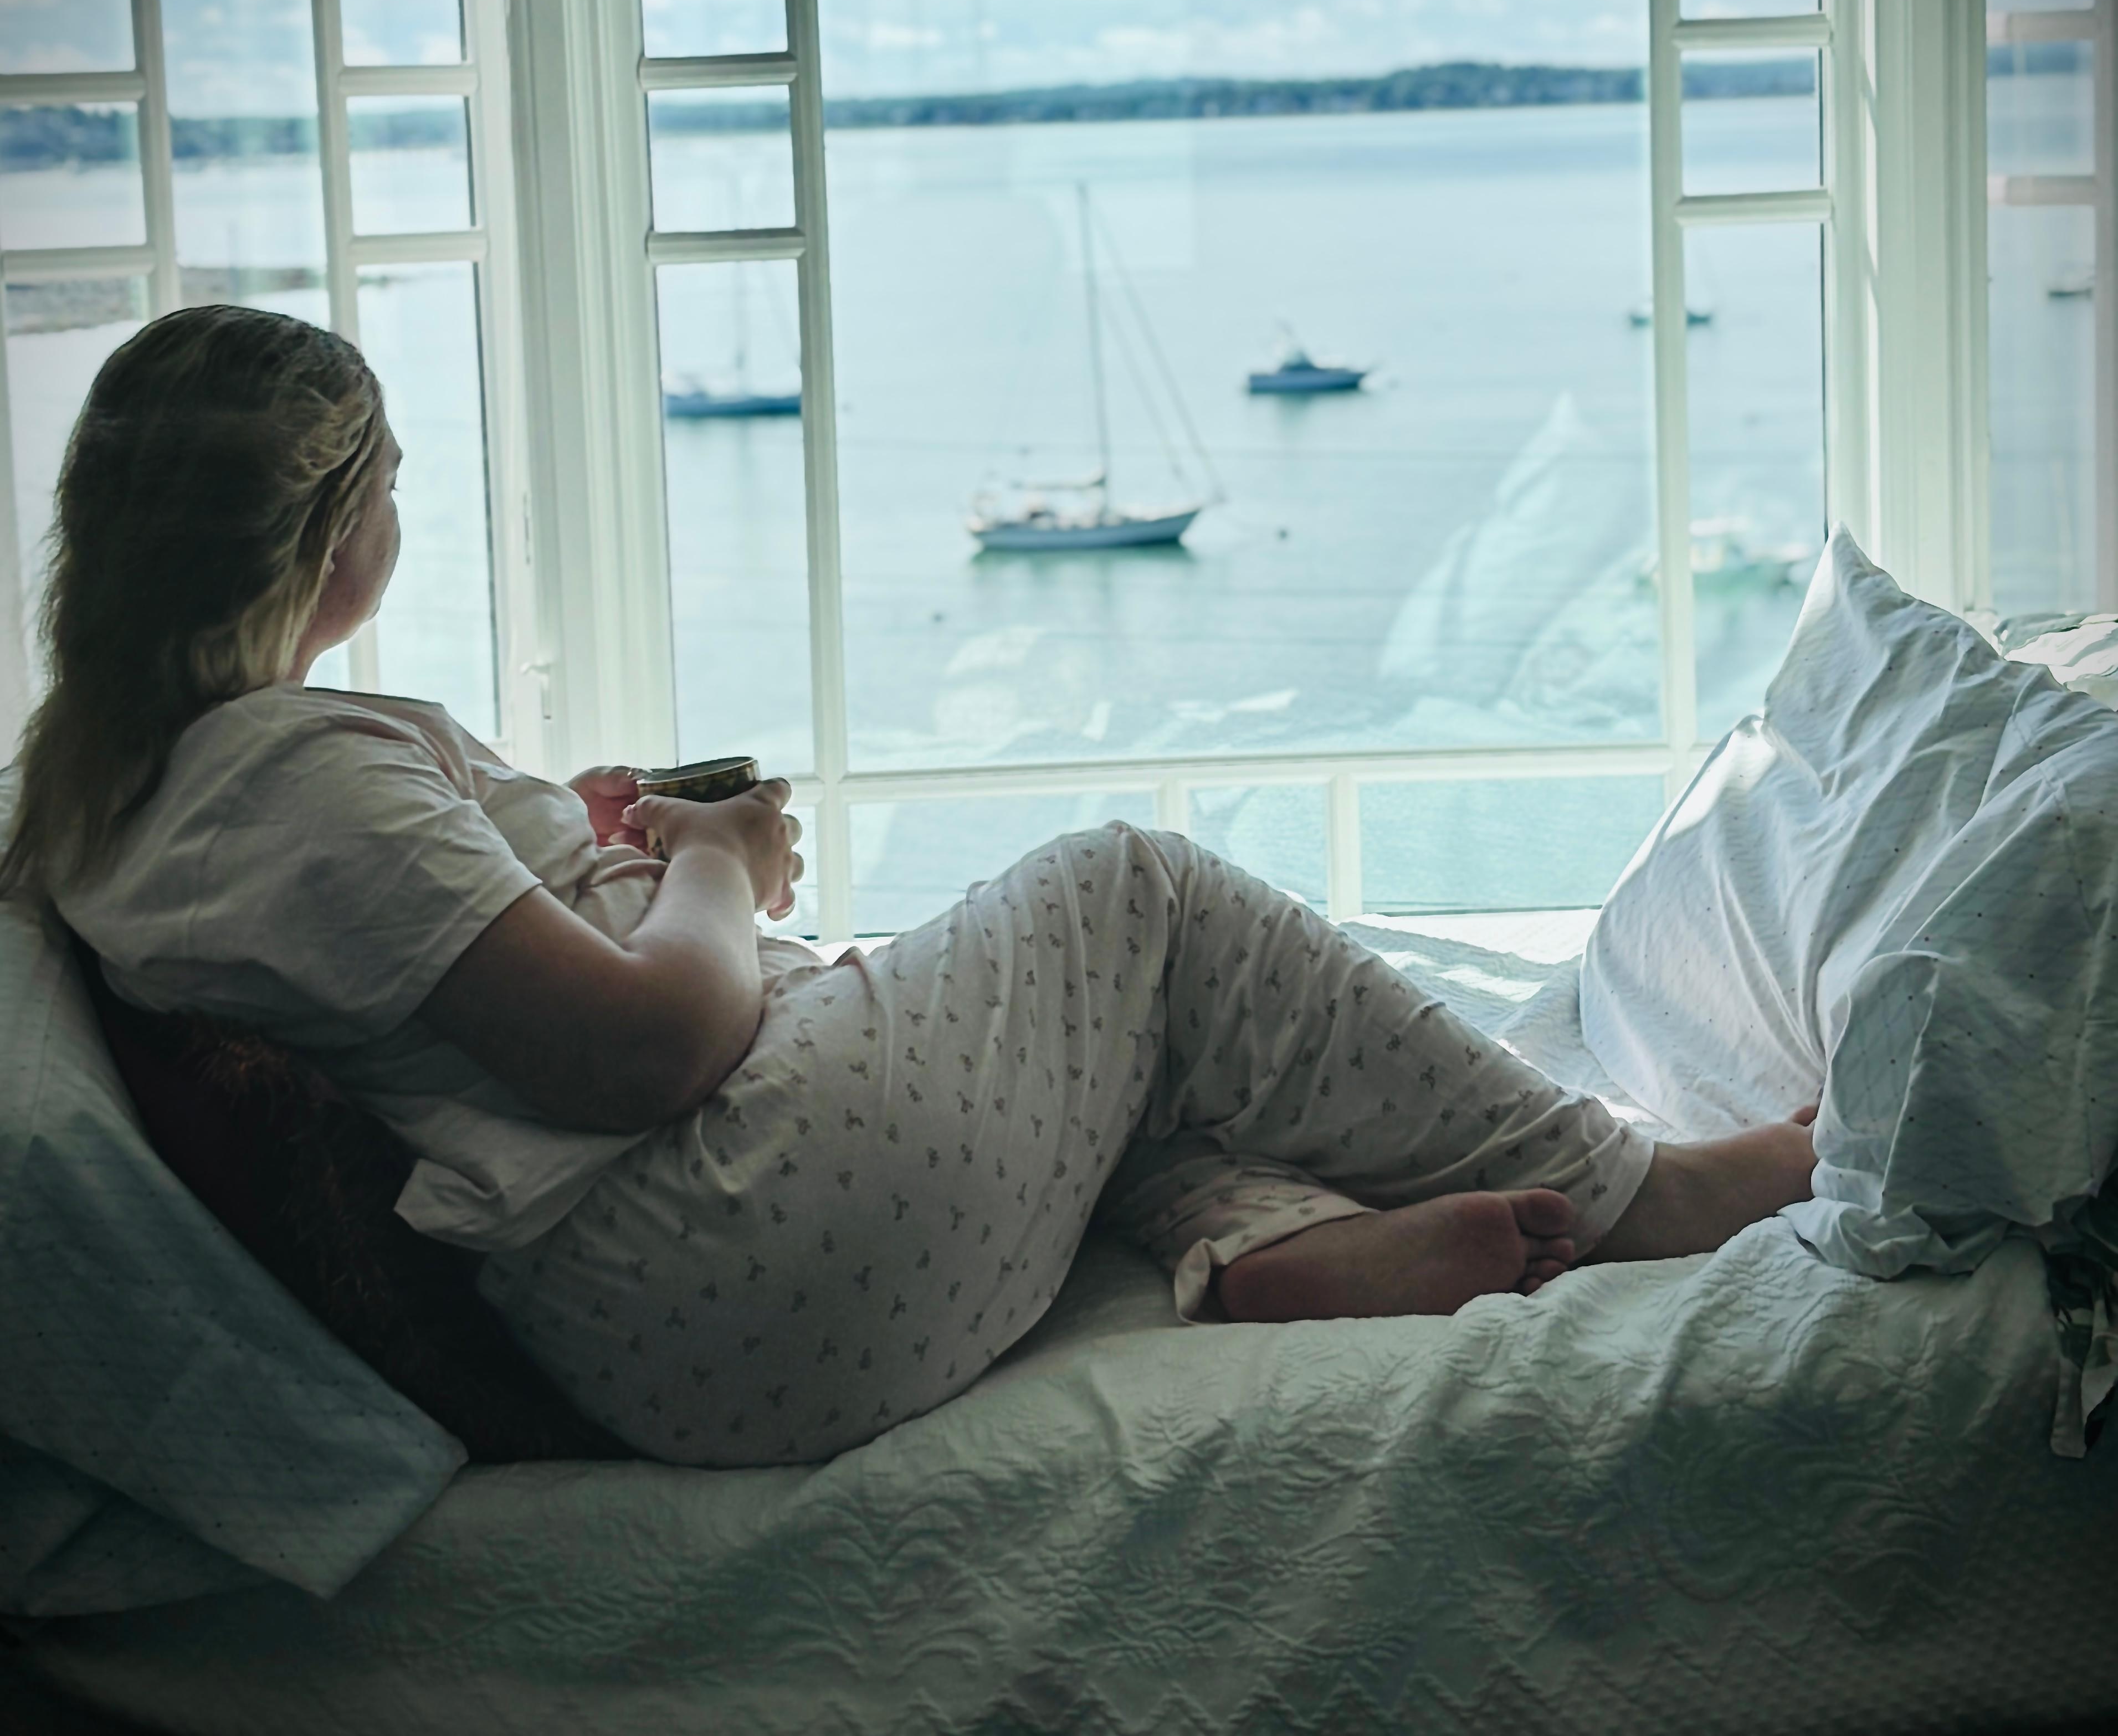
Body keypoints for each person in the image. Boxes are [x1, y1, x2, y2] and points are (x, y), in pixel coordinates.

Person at [6, 307, 1816, 1469]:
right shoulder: (298, 787)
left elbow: (432, 976)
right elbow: (646, 1053)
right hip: (723, 1256)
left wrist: (566, 840)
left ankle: (1263, 1246)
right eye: (393, 481)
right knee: (1133, 903)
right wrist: (713, 864)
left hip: (691, 1291)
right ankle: (1647, 1192)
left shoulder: (119, 785)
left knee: (1084, 1038)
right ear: (333, 525)